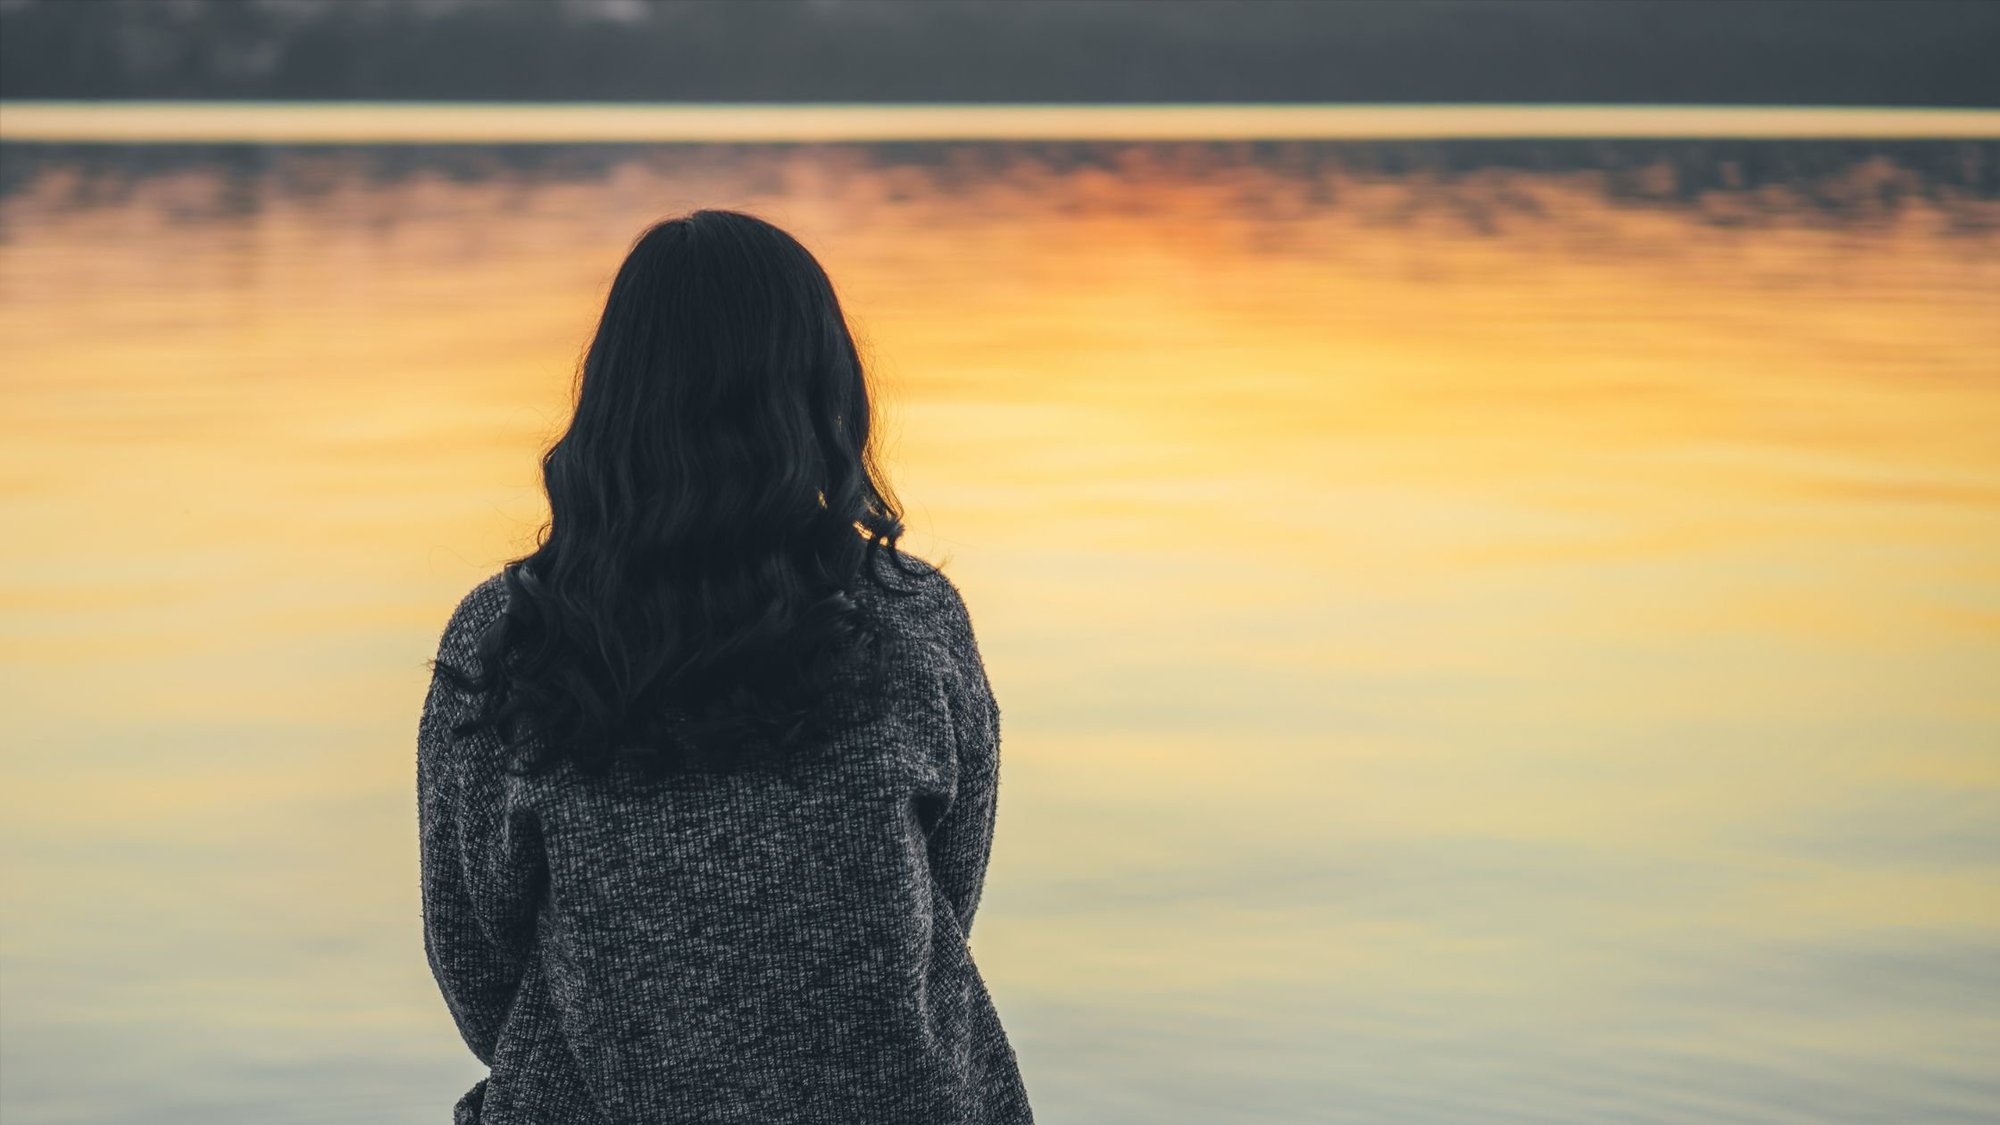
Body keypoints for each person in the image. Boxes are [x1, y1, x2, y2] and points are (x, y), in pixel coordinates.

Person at [416, 209, 1032, 1124]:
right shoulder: (910, 618)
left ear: (616, 397)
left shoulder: (512, 637)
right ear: (823, 389)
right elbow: (946, 894)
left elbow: (475, 960)